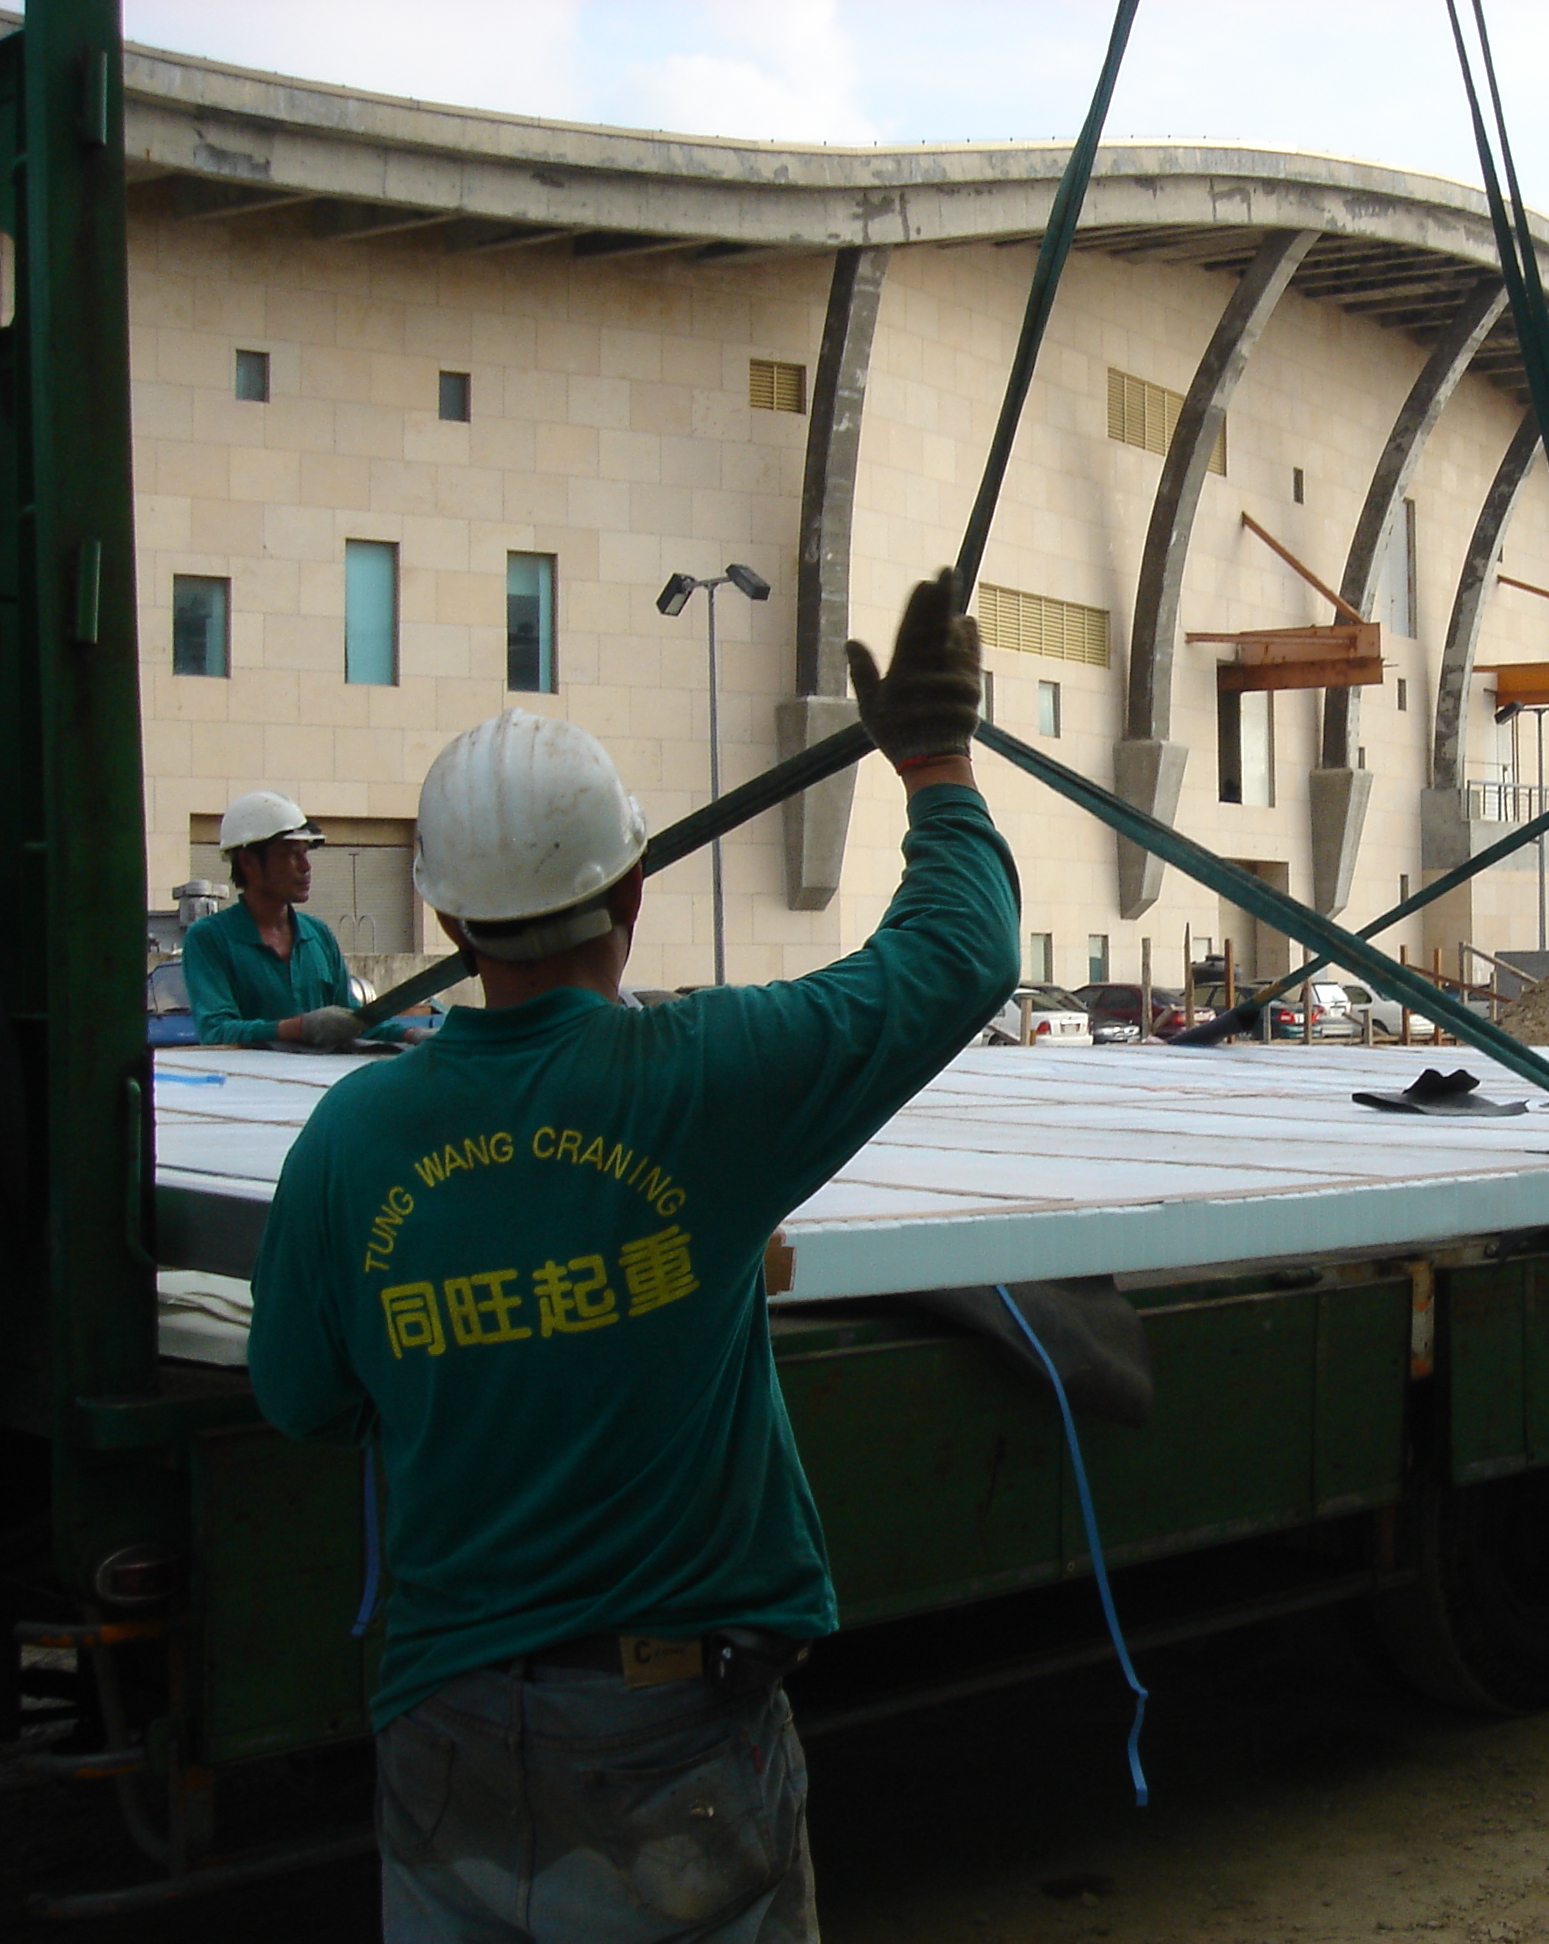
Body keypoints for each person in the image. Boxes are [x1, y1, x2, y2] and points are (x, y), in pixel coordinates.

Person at [246, 570, 1017, 1942]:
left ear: (446, 920)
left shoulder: (351, 1143)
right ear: (637, 889)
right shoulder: (703, 1086)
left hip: (445, 1726)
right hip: (672, 1732)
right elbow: (954, 955)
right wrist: (937, 760)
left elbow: (305, 1400)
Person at [182, 791, 422, 1050]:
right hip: (249, 1088)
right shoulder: (209, 938)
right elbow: (217, 1032)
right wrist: (300, 1028)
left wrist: (413, 1036)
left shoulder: (318, 935)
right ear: (248, 861)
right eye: (290, 854)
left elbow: (354, 1021)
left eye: (306, 852)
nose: (306, 866)